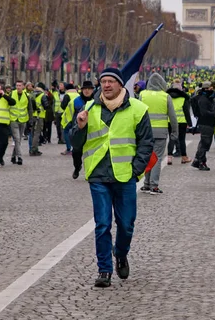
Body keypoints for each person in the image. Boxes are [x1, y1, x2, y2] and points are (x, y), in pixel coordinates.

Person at [71, 67, 154, 288]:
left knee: (126, 225)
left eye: (111, 81)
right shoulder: (88, 108)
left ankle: (121, 253)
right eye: (103, 81)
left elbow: (146, 143)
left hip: (125, 175)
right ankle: (104, 270)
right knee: (102, 224)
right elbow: (75, 144)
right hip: (98, 174)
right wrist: (79, 127)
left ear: (120, 84)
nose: (106, 85)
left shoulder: (138, 108)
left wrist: (137, 169)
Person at [139, 73, 178, 193]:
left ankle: (146, 183)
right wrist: (175, 132)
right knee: (157, 158)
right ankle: (154, 185)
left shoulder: (142, 94)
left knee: (146, 157)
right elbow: (172, 117)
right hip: (161, 132)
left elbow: (138, 113)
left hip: (145, 132)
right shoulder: (166, 96)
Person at [70, 81, 95, 179]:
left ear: (92, 90)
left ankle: (90, 172)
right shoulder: (76, 101)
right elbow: (70, 115)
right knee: (76, 152)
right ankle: (77, 167)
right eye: (85, 89)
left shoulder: (96, 101)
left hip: (92, 131)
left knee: (91, 153)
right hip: (78, 129)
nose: (87, 91)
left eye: (89, 89)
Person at [191, 81, 215, 171]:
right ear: (206, 89)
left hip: (207, 123)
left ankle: (197, 160)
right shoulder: (203, 99)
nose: (212, 90)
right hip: (206, 123)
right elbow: (204, 112)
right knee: (205, 144)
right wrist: (214, 113)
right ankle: (201, 162)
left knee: (203, 143)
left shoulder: (207, 98)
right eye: (210, 88)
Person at [166, 81, 192, 165]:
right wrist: (189, 123)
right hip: (182, 121)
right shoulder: (183, 98)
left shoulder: (167, 97)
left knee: (171, 138)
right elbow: (186, 112)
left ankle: (169, 157)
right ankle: (184, 157)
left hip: (170, 121)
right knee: (181, 139)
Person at [10, 81, 33, 165]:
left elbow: (30, 108)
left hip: (23, 120)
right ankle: (19, 157)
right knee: (17, 138)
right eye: (17, 85)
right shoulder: (12, 94)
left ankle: (13, 156)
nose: (18, 87)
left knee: (18, 140)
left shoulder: (27, 96)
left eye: (20, 85)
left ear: (23, 87)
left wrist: (30, 120)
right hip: (13, 119)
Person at [29, 83, 49, 156]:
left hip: (33, 115)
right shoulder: (42, 95)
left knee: (32, 133)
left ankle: (32, 148)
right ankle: (34, 149)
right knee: (37, 133)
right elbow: (46, 106)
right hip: (39, 116)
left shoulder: (32, 95)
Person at [60, 83, 79, 155]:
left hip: (68, 117)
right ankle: (75, 148)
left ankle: (69, 148)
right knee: (75, 133)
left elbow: (63, 106)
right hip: (77, 117)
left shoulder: (67, 95)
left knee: (66, 132)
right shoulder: (77, 95)